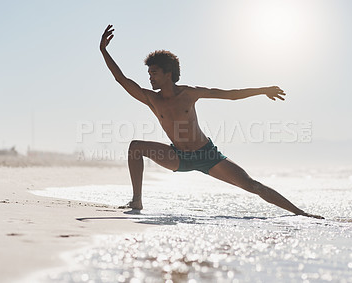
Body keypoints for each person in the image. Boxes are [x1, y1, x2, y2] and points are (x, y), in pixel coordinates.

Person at [100, 25, 323, 219]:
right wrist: (103, 50)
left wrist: (263, 90)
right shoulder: (151, 98)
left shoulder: (189, 93)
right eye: (149, 73)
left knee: (252, 186)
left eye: (154, 72)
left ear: (168, 73)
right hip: (178, 156)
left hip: (208, 155)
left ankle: (301, 213)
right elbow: (121, 79)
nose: (150, 77)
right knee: (135, 147)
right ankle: (136, 200)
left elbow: (230, 95)